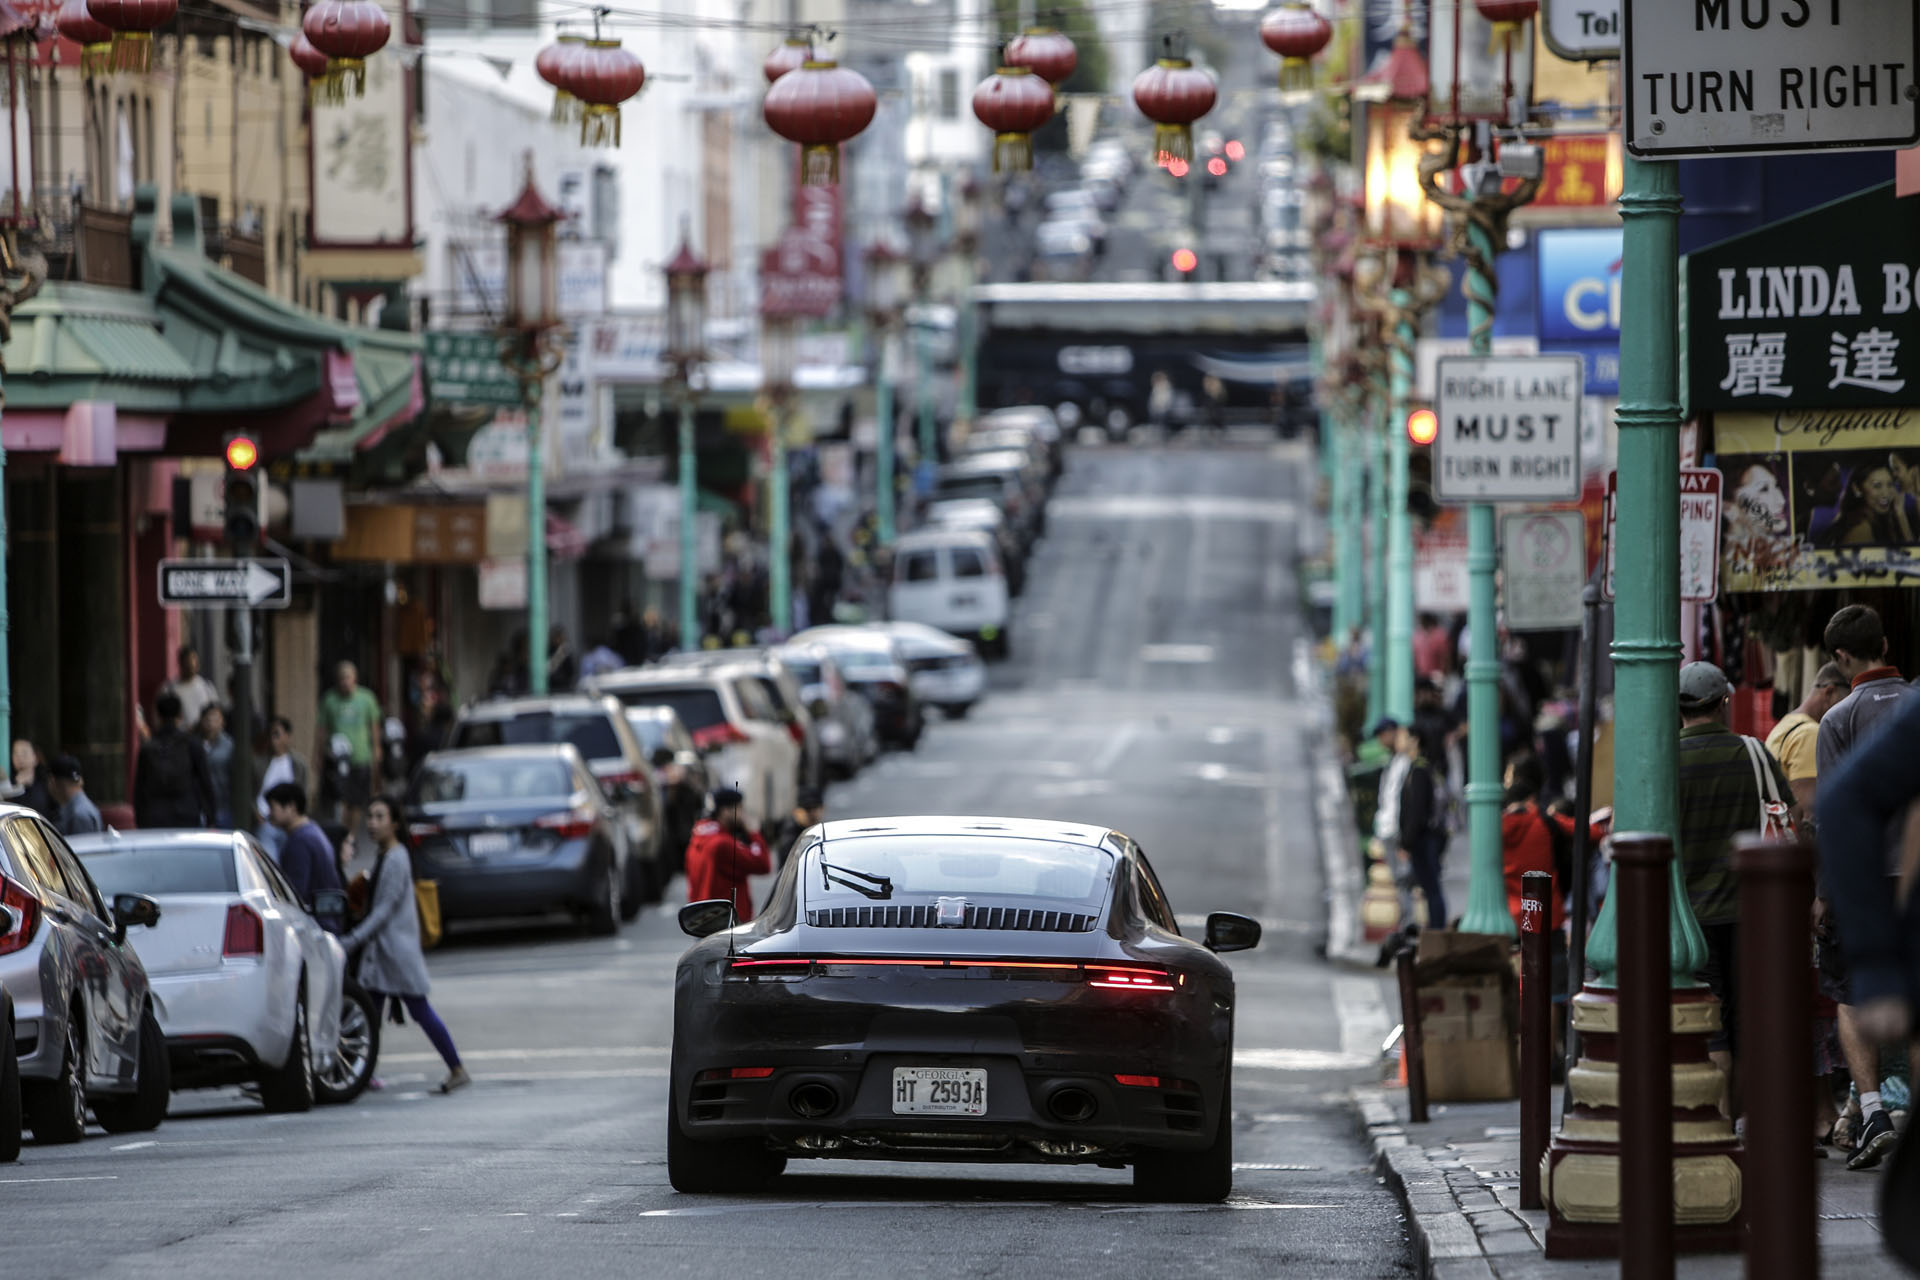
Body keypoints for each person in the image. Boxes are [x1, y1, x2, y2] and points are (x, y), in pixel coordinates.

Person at [1816, 604, 1920, 1169]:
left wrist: (1826, 894)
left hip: (1869, 879)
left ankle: (1874, 1109)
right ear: (1886, 642)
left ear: (1840, 657)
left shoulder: (1840, 717)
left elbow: (1836, 813)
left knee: (1850, 994)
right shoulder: (1913, 703)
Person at [1675, 660, 1791, 1115]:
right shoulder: (1754, 753)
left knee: (1711, 1017)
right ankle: (1749, 1120)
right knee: (1749, 1017)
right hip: (1751, 913)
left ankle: (1718, 1121)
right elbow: (1789, 817)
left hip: (1690, 917)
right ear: (1725, 701)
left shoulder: (1665, 761)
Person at [343, 795, 467, 1094]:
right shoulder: (388, 855)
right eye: (370, 816)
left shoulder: (397, 858)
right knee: (368, 1013)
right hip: (385, 953)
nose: (372, 823)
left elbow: (383, 910)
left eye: (380, 817)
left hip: (396, 953)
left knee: (418, 1010)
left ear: (395, 823)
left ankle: (456, 1068)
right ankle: (360, 1073)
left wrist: (353, 940)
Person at [1763, 662, 1849, 820]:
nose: (1847, 712)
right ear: (1830, 692)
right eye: (1846, 702)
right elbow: (1805, 813)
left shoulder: (1787, 723)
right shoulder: (1810, 734)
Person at [264, 781, 346, 930]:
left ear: (291, 807)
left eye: (272, 807)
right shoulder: (312, 831)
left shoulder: (300, 842)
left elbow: (295, 894)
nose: (269, 813)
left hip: (315, 927)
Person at [685, 786, 772, 922]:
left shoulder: (698, 837)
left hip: (704, 919)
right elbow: (763, 864)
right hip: (727, 921)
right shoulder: (723, 844)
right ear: (725, 811)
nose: (743, 815)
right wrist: (754, 833)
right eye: (740, 809)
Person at [134, 691, 217, 829]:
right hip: (187, 816)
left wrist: (141, 821)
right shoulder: (192, 744)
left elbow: (139, 790)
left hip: (155, 818)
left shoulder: (148, 748)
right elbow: (206, 784)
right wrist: (210, 817)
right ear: (180, 716)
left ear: (158, 716)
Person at [1393, 727, 1448, 930]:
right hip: (1426, 838)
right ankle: (1436, 931)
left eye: (1404, 736)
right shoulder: (1421, 767)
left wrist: (1406, 842)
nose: (1399, 740)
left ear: (1415, 740)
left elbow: (1416, 810)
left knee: (1432, 888)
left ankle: (1437, 932)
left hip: (1424, 840)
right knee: (1430, 887)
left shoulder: (1419, 770)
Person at [318, 661, 382, 834]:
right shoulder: (329, 700)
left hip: (361, 758)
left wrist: (377, 750)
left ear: (355, 678)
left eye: (348, 677)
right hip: (337, 760)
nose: (345, 681)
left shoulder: (367, 698)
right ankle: (342, 833)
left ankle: (350, 835)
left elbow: (374, 727)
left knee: (357, 801)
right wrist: (318, 756)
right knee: (340, 800)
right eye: (341, 678)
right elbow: (321, 731)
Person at [255, 716, 310, 856]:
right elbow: (252, 792)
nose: (274, 739)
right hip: (266, 822)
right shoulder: (259, 763)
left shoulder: (299, 765)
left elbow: (303, 794)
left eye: (277, 734)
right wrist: (256, 813)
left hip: (290, 824)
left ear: (287, 736)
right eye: (271, 734)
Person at [162, 644, 220, 732]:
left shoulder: (206, 687)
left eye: (194, 661)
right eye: (188, 663)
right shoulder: (169, 689)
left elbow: (216, 713)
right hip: (180, 739)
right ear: (181, 664)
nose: (192, 666)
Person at [197, 703, 235, 828]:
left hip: (224, 805)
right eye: (207, 719)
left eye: (215, 719)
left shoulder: (230, 746)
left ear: (222, 722)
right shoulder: (195, 745)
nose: (211, 722)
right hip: (200, 807)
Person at [46, 755, 102, 837]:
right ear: (80, 781)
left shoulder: (79, 815)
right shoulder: (82, 808)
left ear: (52, 781)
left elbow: (82, 848)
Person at [771, 787, 825, 866]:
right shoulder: (790, 831)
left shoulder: (819, 829)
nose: (812, 813)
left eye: (815, 808)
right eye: (808, 809)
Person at [9, 738, 51, 817]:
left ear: (35, 758)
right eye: (15, 753)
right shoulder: (9, 785)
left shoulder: (47, 784)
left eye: (24, 753)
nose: (20, 758)